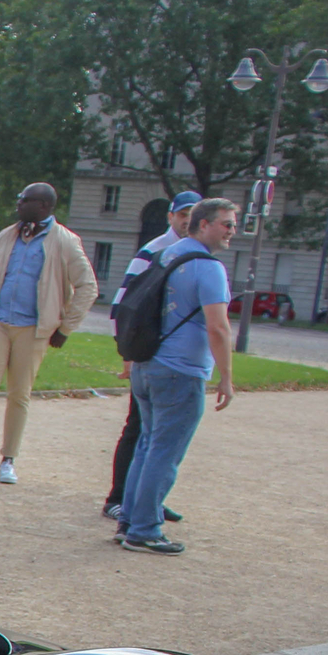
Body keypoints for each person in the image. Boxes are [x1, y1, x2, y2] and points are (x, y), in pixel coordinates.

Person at [0, 183, 99, 485]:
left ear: (42, 206)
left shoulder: (65, 241)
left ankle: (8, 459)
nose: (18, 203)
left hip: (33, 327)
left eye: (24, 199)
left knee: (19, 393)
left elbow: (87, 286)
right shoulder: (7, 235)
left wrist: (66, 327)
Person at [118, 198, 238, 554]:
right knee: (164, 452)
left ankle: (129, 519)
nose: (232, 231)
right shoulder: (208, 268)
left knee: (147, 445)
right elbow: (218, 328)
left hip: (148, 362)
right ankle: (144, 529)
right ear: (204, 225)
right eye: (226, 224)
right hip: (179, 370)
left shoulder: (167, 255)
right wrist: (226, 378)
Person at [101, 191, 200, 522]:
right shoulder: (153, 251)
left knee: (157, 432)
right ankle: (118, 498)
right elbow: (122, 305)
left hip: (169, 352)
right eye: (182, 213)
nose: (187, 219)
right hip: (149, 351)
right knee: (139, 427)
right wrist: (126, 352)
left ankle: (148, 499)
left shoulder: (194, 252)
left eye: (193, 213)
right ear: (171, 217)